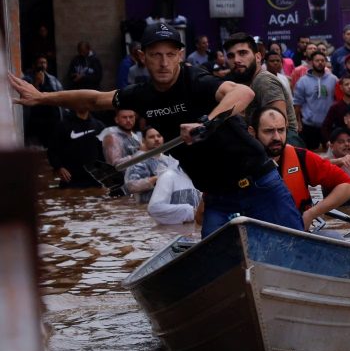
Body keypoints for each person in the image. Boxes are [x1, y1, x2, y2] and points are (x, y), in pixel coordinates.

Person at [9, 26, 301, 234]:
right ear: (141, 57)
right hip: (217, 196)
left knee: (295, 249)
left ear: (180, 55)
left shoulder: (196, 80)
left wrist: (207, 124)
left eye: (170, 54)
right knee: (218, 267)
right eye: (155, 55)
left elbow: (242, 94)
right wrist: (43, 97)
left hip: (260, 184)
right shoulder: (140, 94)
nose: (163, 62)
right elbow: (93, 99)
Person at [253, 107, 350, 230]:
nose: (276, 137)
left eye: (281, 130)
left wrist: (312, 213)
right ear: (252, 132)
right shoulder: (238, 163)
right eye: (268, 131)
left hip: (297, 234)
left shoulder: (301, 157)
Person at [224, 32, 295, 140]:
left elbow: (278, 126)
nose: (236, 60)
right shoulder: (252, 82)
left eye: (242, 53)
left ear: (258, 57)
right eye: (231, 56)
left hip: (279, 151)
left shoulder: (263, 81)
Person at [47, 103, 106, 188]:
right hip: (71, 179)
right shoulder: (63, 125)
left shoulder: (99, 125)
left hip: (94, 179)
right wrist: (59, 167)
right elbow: (52, 150)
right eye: (79, 101)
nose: (83, 104)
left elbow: (104, 151)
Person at [292, 50, 338, 150]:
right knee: (311, 155)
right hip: (309, 125)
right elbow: (297, 104)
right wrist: (297, 122)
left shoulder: (333, 79)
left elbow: (338, 100)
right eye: (317, 60)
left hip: (329, 125)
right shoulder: (303, 81)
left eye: (322, 60)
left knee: (330, 154)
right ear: (311, 62)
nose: (320, 63)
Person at [123, 126, 175, 203]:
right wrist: (157, 178)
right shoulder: (139, 160)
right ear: (144, 140)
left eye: (159, 136)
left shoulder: (169, 160)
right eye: (151, 137)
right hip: (147, 207)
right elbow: (131, 186)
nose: (156, 139)